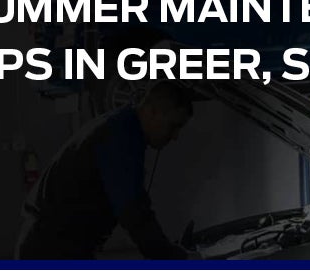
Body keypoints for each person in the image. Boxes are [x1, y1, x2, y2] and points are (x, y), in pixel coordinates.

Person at [16, 82, 195, 259]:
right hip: (50, 250)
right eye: (173, 126)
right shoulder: (121, 136)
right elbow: (133, 210)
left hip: (56, 246)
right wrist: (171, 257)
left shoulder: (120, 127)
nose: (175, 137)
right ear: (151, 111)